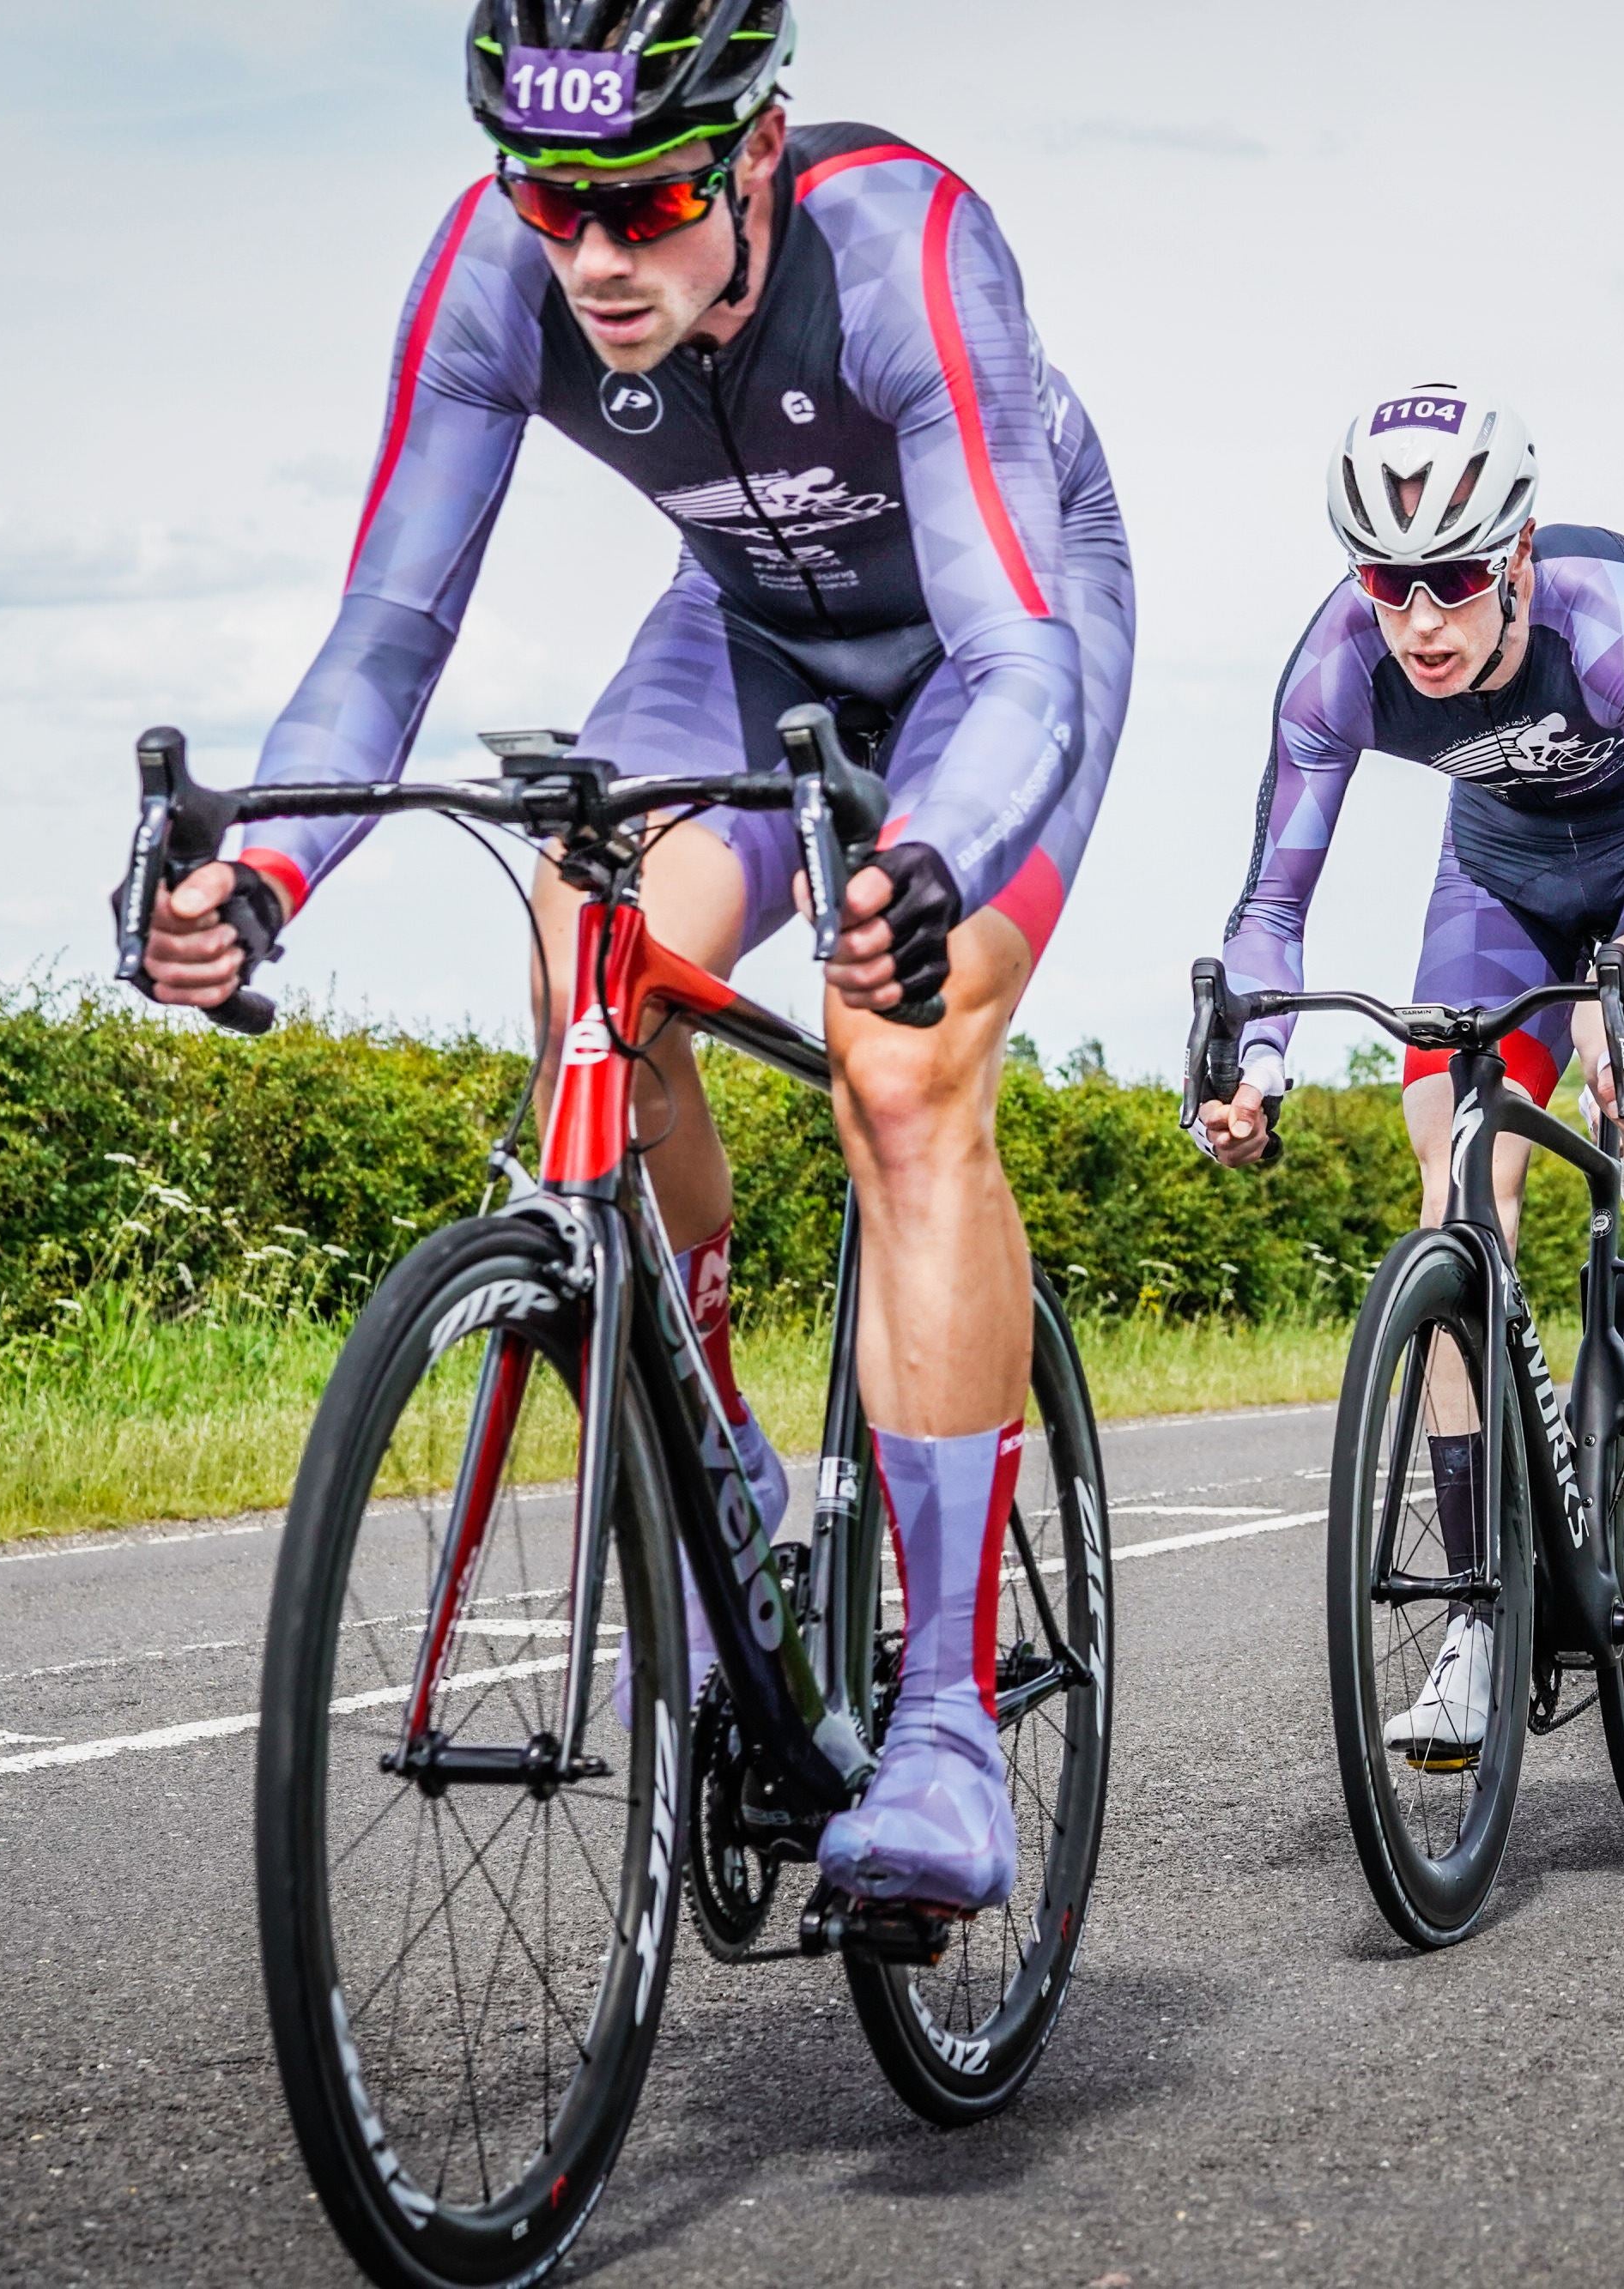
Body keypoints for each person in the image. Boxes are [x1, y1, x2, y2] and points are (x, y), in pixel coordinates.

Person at [135, 0, 1135, 1917]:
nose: (593, 255)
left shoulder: (911, 254)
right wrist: (265, 878)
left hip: (994, 623)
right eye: (550, 197)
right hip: (747, 623)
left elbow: (1017, 659)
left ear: (754, 152)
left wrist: (929, 858)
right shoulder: (500, 273)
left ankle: (941, 1725)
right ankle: (724, 1455)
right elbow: (388, 629)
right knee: (580, 943)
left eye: (650, 196)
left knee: (900, 1067)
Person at [1191, 385, 1624, 1761]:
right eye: (1391, 584)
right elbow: (1272, 907)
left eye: (1454, 579)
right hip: (1499, 868)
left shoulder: (1606, 609)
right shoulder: (1341, 661)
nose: (1424, 621)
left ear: (1514, 558)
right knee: (1452, 1174)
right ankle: (1473, 1610)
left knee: (1617, 1049)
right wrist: (1257, 1058)